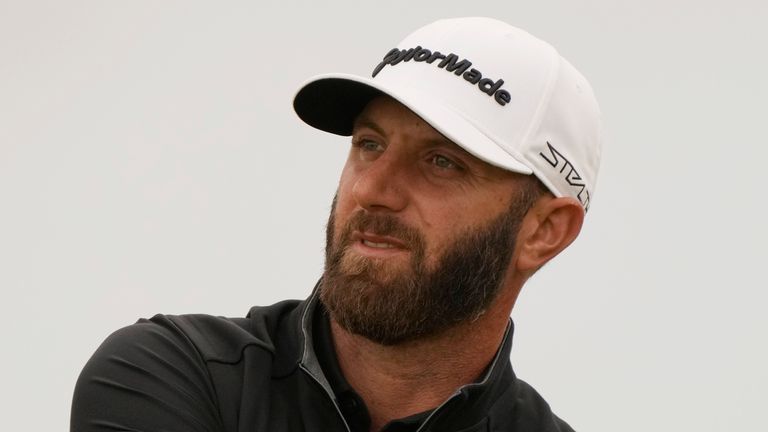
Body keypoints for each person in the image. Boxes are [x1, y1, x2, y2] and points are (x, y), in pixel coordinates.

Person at [71, 17, 602, 432]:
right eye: (369, 145)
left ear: (543, 231)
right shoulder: (173, 374)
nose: (372, 190)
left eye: (441, 161)